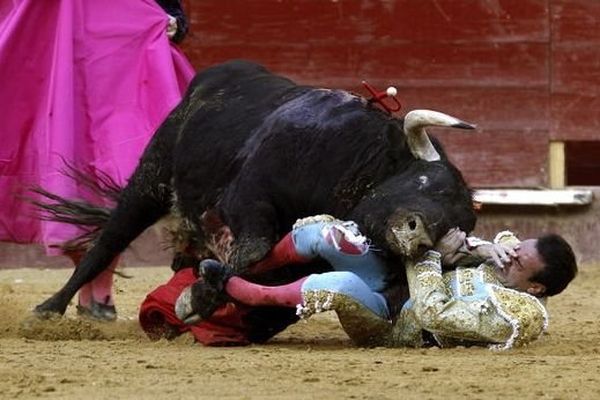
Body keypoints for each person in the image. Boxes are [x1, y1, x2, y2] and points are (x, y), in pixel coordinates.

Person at [0, 0, 195, 320]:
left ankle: (98, 290)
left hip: (121, 55)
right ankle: (96, 291)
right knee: (72, 177)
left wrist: (173, 17)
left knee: (120, 174)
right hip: (60, 48)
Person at [167, 215, 577, 349]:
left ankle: (237, 287)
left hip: (393, 324)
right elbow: (493, 241)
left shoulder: (520, 316)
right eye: (516, 247)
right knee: (330, 236)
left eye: (519, 258)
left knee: (341, 282)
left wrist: (426, 253)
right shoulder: (506, 256)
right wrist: (483, 248)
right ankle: (246, 263)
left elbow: (436, 314)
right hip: (394, 280)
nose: (511, 253)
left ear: (536, 287)